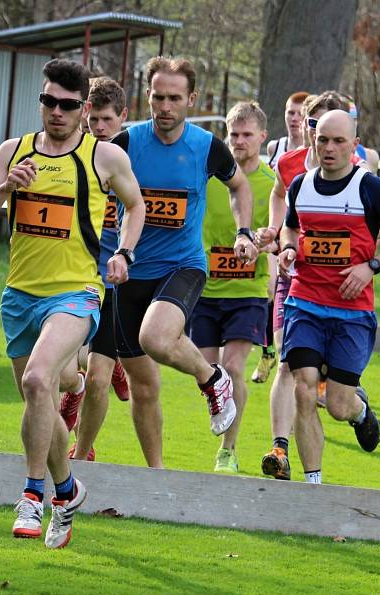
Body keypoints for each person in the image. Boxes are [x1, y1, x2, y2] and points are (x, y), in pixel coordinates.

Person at [0, 59, 145, 548]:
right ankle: (66, 491)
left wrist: (124, 252)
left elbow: (136, 204)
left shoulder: (103, 157)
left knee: (39, 378)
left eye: (68, 105)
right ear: (41, 101)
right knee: (37, 401)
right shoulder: (13, 152)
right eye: (49, 102)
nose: (57, 112)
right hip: (20, 294)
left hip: (77, 292)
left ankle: (31, 495)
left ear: (83, 107)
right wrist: (6, 188)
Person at [111, 56, 258, 469]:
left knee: (156, 339)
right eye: (158, 97)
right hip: (129, 273)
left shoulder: (206, 146)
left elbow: (239, 186)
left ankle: (213, 378)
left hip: (182, 266)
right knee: (142, 387)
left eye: (175, 98)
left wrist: (243, 232)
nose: (165, 106)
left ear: (191, 99)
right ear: (148, 96)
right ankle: (157, 475)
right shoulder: (126, 143)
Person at [277, 110, 380, 484]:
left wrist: (371, 266)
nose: (329, 147)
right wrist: (289, 249)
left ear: (354, 145)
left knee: (338, 405)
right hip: (304, 303)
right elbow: (290, 229)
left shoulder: (369, 187)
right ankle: (313, 486)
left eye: (339, 141)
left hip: (350, 313)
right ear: (313, 141)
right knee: (305, 390)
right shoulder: (300, 185)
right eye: (323, 139)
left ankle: (361, 413)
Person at [259, 91, 352, 481]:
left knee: (330, 393)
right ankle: (279, 448)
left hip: (337, 287)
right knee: (286, 361)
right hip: (294, 277)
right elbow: (279, 196)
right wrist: (280, 236)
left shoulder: (358, 167)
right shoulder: (288, 163)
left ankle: (352, 403)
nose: (316, 133)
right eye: (313, 124)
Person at [190, 101, 275, 474]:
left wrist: (262, 241)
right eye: (233, 134)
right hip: (206, 290)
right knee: (206, 372)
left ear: (262, 137)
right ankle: (220, 407)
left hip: (248, 291)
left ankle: (228, 450)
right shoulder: (208, 178)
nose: (239, 141)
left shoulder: (272, 184)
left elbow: (283, 233)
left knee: (234, 367)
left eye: (246, 135)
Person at [65, 77, 133, 462]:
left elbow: (141, 210)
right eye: (95, 120)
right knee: (68, 366)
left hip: (116, 279)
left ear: (123, 117)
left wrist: (126, 253)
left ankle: (82, 452)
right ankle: (80, 385)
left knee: (97, 378)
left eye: (108, 120)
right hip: (76, 275)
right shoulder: (75, 155)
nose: (100, 128)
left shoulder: (128, 159)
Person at [252, 91, 311, 385]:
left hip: (308, 237)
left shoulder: (322, 151)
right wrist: (272, 228)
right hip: (281, 232)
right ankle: (269, 350)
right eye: (290, 112)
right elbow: (275, 190)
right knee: (272, 285)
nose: (295, 119)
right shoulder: (277, 148)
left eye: (301, 113)